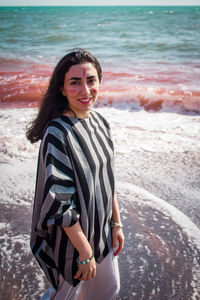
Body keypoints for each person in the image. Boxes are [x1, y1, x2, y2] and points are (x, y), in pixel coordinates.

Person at [26, 48, 124, 300]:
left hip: (101, 233)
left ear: (99, 82)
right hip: (73, 244)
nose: (85, 90)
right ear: (61, 88)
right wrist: (84, 252)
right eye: (75, 82)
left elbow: (107, 179)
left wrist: (116, 223)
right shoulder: (57, 132)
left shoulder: (101, 123)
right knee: (62, 295)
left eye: (91, 80)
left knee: (109, 291)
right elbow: (61, 202)